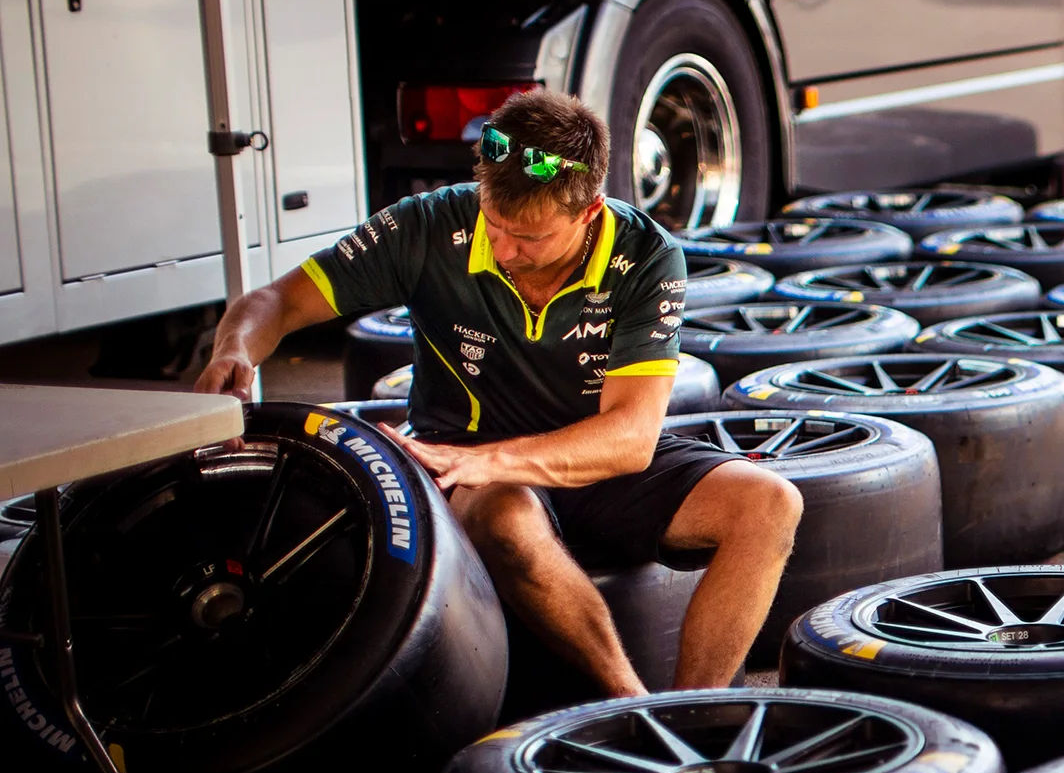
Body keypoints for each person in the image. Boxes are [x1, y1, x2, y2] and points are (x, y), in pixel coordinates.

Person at [195, 89, 798, 695]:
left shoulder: (647, 254)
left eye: (530, 237)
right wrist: (235, 351)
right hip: (469, 459)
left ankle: (695, 710)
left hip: (593, 456)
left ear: (589, 213)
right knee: (508, 517)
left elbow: (631, 439)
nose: (506, 249)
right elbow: (276, 301)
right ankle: (634, 708)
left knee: (769, 503)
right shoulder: (427, 224)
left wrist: (492, 460)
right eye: (494, 224)